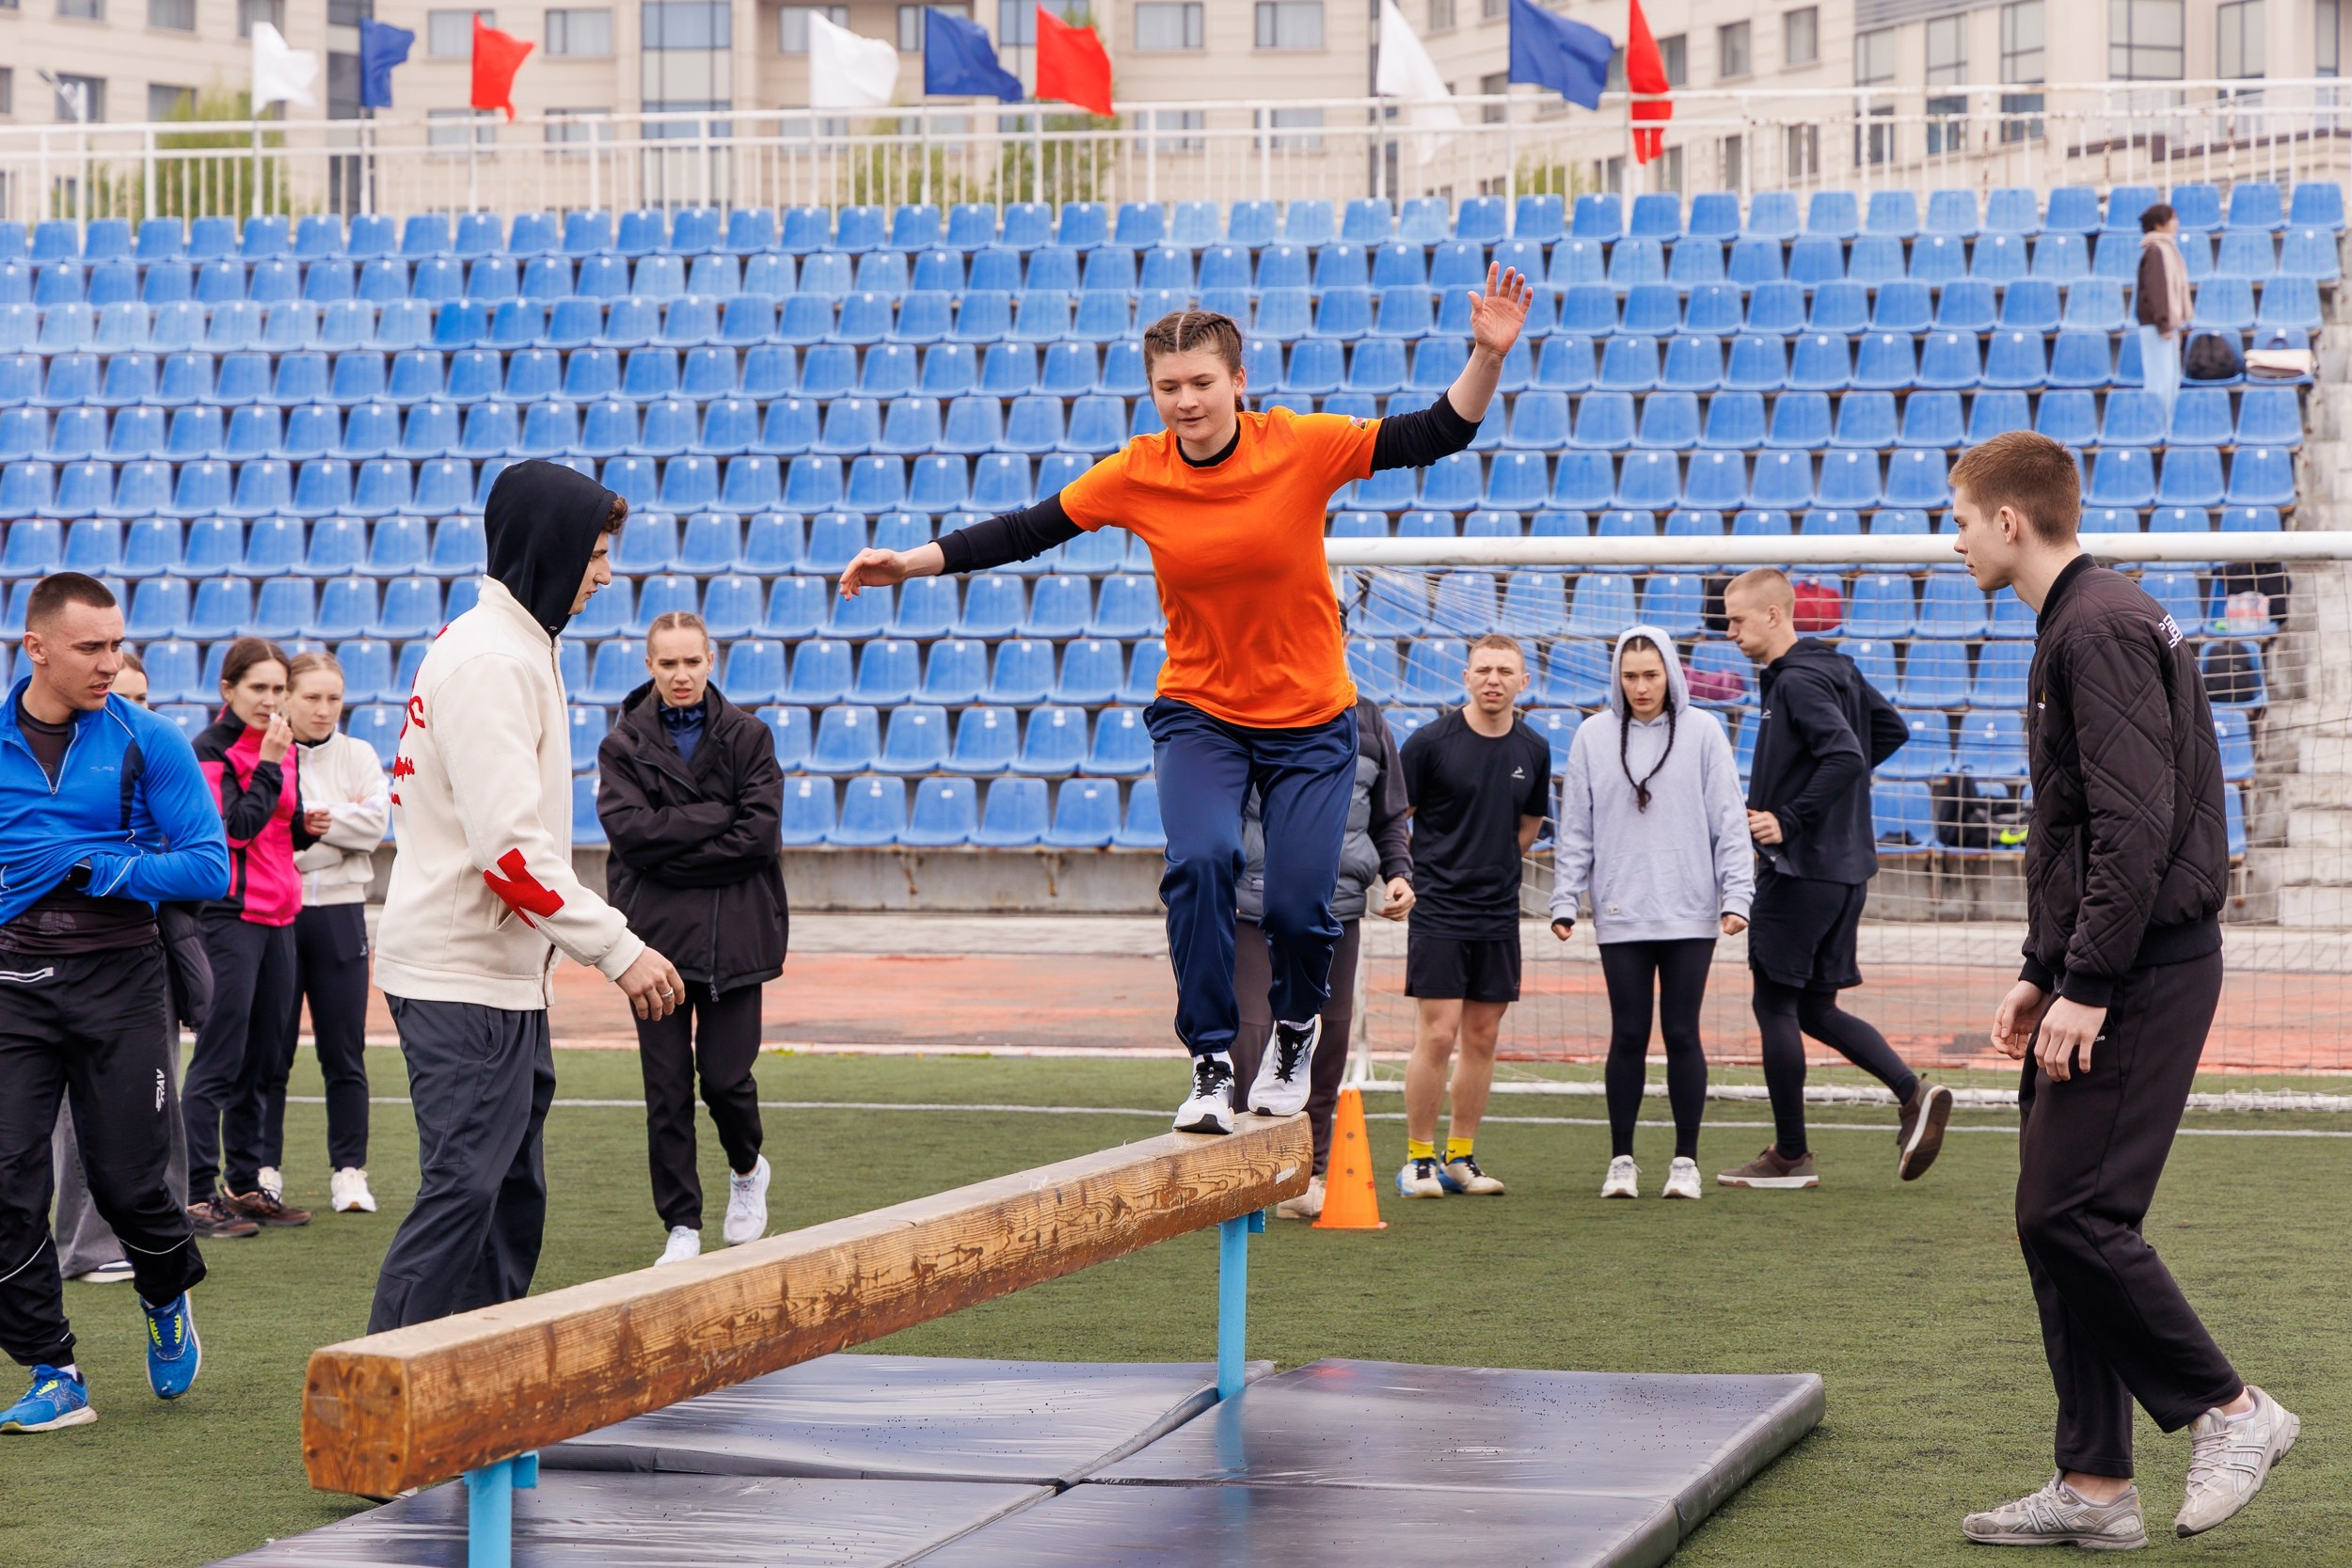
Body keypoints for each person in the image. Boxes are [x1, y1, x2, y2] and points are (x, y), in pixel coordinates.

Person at [837, 276, 1532, 1134]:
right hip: (1201, 712)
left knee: (1298, 902)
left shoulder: (1301, 446)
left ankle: (1295, 1029)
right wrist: (911, 562)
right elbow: (1027, 528)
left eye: (1202, 382)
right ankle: (1208, 1060)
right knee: (1201, 862)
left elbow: (1435, 433)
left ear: (1239, 381)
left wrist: (1486, 357)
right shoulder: (1139, 471)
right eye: (1168, 387)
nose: (1186, 401)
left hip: (1313, 721)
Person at [1950, 431, 2298, 1549]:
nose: (1953, 539)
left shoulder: (2094, 624)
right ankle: (2095, 1486)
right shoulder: (2092, 615)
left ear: (2010, 521)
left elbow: (2138, 827)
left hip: (2143, 969)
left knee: (2071, 1212)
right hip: (2108, 964)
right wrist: (2036, 972)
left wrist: (2087, 981)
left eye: (1960, 518)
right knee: (2054, 1225)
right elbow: (2089, 824)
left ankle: (2230, 1408)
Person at [368, 460, 684, 1334]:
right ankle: (379, 1412)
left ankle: (478, 1401)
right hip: (458, 972)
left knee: (507, 1197)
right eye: (594, 553)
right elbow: (509, 853)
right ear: (547, 548)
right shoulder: (489, 659)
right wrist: (617, 947)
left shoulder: (516, 643)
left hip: (499, 972)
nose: (606, 574)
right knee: (465, 1192)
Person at [0, 574, 229, 1433]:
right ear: (37, 648)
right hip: (13, 984)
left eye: (116, 645)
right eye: (91, 647)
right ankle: (52, 1366)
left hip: (123, 981)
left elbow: (209, 866)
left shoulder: (148, 738)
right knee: (6, 1184)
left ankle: (166, 1295)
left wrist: (99, 866)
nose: (111, 662)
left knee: (130, 1186)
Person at [1716, 569, 1954, 1191]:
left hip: (1802, 870)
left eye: (1739, 619)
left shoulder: (1796, 681)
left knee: (1773, 1002)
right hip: (1848, 868)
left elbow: (1847, 752)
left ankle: (1790, 1156)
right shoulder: (1838, 668)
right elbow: (1889, 731)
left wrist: (1791, 816)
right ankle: (1911, 1092)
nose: (1730, 631)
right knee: (1815, 1006)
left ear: (1775, 613)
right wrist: (1825, 797)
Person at [596, 610, 785, 1267]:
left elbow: (757, 837)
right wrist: (714, 818)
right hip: (654, 943)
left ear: (712, 660)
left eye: (692, 661)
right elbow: (630, 836)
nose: (681, 674)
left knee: (728, 1079)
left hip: (738, 935)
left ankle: (745, 1167)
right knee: (667, 1086)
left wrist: (672, 840)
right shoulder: (622, 745)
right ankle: (681, 1222)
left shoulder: (749, 736)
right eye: (668, 663)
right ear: (649, 665)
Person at [45, 650, 234, 1284]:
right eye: (122, 695)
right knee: (79, 1106)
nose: (132, 711)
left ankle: (162, 1234)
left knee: (159, 1099)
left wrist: (126, 871)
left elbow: (205, 865)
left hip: (154, 947)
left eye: (144, 698)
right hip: (68, 957)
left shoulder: (158, 756)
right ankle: (89, 1244)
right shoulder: (54, 773)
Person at [1549, 627, 1752, 1202]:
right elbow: (1576, 828)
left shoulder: (1705, 732)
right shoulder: (1591, 736)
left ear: (1671, 674)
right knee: (1628, 1034)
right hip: (1621, 910)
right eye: (1630, 675)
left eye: (1651, 674)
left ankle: (1685, 1161)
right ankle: (1622, 1161)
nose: (1641, 687)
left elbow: (1728, 821)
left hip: (1690, 911)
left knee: (1683, 1033)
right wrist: (1565, 898)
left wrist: (1738, 896)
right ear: (1618, 676)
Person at [1228, 695, 1413, 1221]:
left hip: (1338, 903)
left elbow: (1388, 813)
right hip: (1255, 898)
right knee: (1252, 1031)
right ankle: (1246, 1169)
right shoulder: (1249, 698)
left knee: (1328, 1038)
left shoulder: (1369, 718)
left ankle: (1307, 1173)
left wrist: (1398, 871)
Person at [1395, 635, 1551, 1199]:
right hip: (1438, 908)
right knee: (1437, 1034)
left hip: (1497, 913)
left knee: (1483, 1036)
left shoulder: (1533, 749)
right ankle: (1417, 1159)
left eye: (1505, 670)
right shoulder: (1430, 743)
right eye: (1483, 669)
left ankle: (1460, 1156)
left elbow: (1527, 829)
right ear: (1465, 677)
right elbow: (1398, 818)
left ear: (1523, 682)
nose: (1493, 679)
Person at [182, 639, 316, 1231]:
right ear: (227, 690)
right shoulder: (209, 750)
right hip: (231, 919)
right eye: (257, 688)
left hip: (282, 917)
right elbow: (232, 831)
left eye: (278, 688)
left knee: (265, 1060)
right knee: (218, 1060)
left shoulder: (284, 747)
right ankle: (192, 1192)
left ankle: (243, 1184)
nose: (270, 700)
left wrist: (307, 827)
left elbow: (280, 828)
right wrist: (266, 762)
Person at [277, 652, 389, 1216]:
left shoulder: (360, 753)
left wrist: (304, 828)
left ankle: (349, 1172)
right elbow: (267, 840)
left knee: (344, 1051)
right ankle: (261, 1172)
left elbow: (376, 827)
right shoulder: (270, 755)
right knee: (270, 1053)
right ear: (287, 698)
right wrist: (331, 828)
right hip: (279, 916)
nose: (324, 710)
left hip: (343, 916)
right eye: (312, 698)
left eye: (333, 699)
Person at [2136, 201, 2192, 427]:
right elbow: (2157, 289)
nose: (2176, 224)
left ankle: (2165, 428)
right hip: (2158, 326)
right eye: (2172, 219)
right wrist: (2163, 324)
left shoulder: (2165, 249)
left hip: (2166, 324)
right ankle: (2156, 427)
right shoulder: (2157, 251)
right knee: (2160, 382)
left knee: (2170, 381)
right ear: (2159, 225)